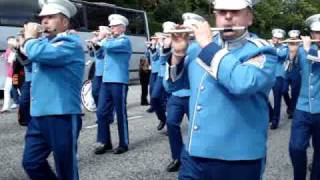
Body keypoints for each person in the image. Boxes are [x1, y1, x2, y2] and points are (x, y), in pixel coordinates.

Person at [168, 0, 277, 179]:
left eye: (235, 11)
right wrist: (178, 54)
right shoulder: (196, 48)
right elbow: (173, 86)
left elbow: (242, 83)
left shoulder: (262, 50)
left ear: (249, 17)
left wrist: (209, 47)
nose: (227, 16)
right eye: (221, 11)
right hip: (195, 155)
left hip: (239, 158)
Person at [21, 0, 84, 179]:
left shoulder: (69, 43)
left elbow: (39, 54)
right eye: (42, 18)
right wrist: (22, 45)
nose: (44, 22)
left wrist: (29, 39)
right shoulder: (44, 43)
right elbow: (28, 63)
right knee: (31, 163)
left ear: (65, 22)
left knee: (66, 169)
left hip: (61, 114)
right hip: (39, 114)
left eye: (50, 17)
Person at [94, 14, 132, 155]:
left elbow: (108, 46)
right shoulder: (111, 41)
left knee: (120, 113)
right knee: (101, 112)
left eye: (114, 26)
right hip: (106, 80)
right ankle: (105, 142)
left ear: (122, 28)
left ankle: (124, 143)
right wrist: (94, 44)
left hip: (119, 81)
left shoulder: (124, 41)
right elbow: (99, 55)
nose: (111, 28)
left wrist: (101, 38)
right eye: (111, 26)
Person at [289, 14, 320, 180]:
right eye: (316, 33)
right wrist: (292, 55)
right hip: (302, 107)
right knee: (296, 148)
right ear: (311, 33)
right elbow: (290, 74)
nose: (318, 36)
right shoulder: (302, 50)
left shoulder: (307, 50)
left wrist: (308, 50)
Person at [270, 28, 290, 129]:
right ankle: (291, 108)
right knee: (284, 93)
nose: (275, 40)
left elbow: (282, 55)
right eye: (274, 37)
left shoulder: (285, 48)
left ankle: (275, 121)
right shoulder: (269, 46)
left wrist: (272, 48)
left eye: (278, 38)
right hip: (269, 75)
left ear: (281, 39)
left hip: (279, 75)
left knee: (278, 97)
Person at [282, 30, 301, 119]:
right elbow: (282, 56)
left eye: (295, 39)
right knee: (284, 90)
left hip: (296, 72)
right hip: (287, 71)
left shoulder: (301, 48)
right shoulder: (285, 47)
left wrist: (295, 51)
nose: (293, 40)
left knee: (295, 93)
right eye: (292, 39)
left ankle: (292, 110)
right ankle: (290, 105)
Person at [1, 36, 18, 113]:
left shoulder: (14, 52)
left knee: (19, 89)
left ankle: (16, 104)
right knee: (7, 90)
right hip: (10, 75)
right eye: (8, 42)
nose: (9, 44)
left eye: (10, 43)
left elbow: (9, 62)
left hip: (14, 74)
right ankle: (6, 107)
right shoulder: (8, 51)